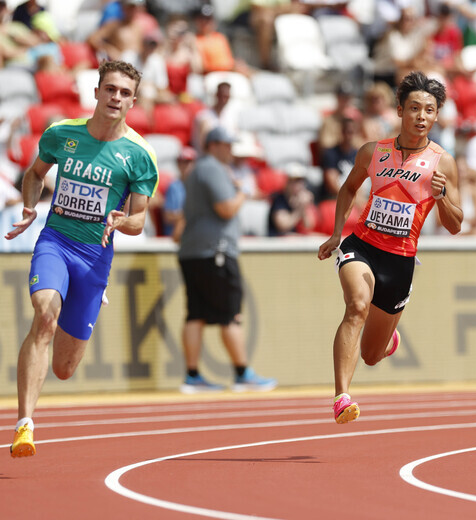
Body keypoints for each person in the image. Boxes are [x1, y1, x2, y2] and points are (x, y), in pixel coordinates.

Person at [4, 60, 159, 457]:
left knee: (65, 368)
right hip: (55, 241)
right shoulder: (62, 134)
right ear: (96, 92)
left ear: (133, 101)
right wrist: (28, 207)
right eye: (110, 89)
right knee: (44, 317)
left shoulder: (139, 155)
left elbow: (139, 219)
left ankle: (90, 295)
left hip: (93, 259)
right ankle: (24, 425)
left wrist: (122, 219)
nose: (116, 97)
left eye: (124, 93)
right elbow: (35, 174)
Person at [317, 71, 463, 424]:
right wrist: (338, 232)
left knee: (371, 354)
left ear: (437, 115)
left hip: (400, 262)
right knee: (356, 306)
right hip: (362, 245)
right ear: (400, 110)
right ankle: (341, 397)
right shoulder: (373, 151)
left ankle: (387, 342)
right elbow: (349, 188)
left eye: (429, 110)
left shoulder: (443, 162)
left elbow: (456, 225)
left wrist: (442, 198)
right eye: (414, 108)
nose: (421, 116)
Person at [177, 126, 277, 393]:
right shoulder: (212, 168)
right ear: (215, 145)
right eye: (228, 145)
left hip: (194, 251)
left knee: (195, 314)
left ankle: (192, 375)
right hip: (216, 251)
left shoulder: (199, 170)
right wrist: (242, 192)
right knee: (230, 314)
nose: (231, 151)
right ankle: (242, 373)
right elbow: (226, 208)